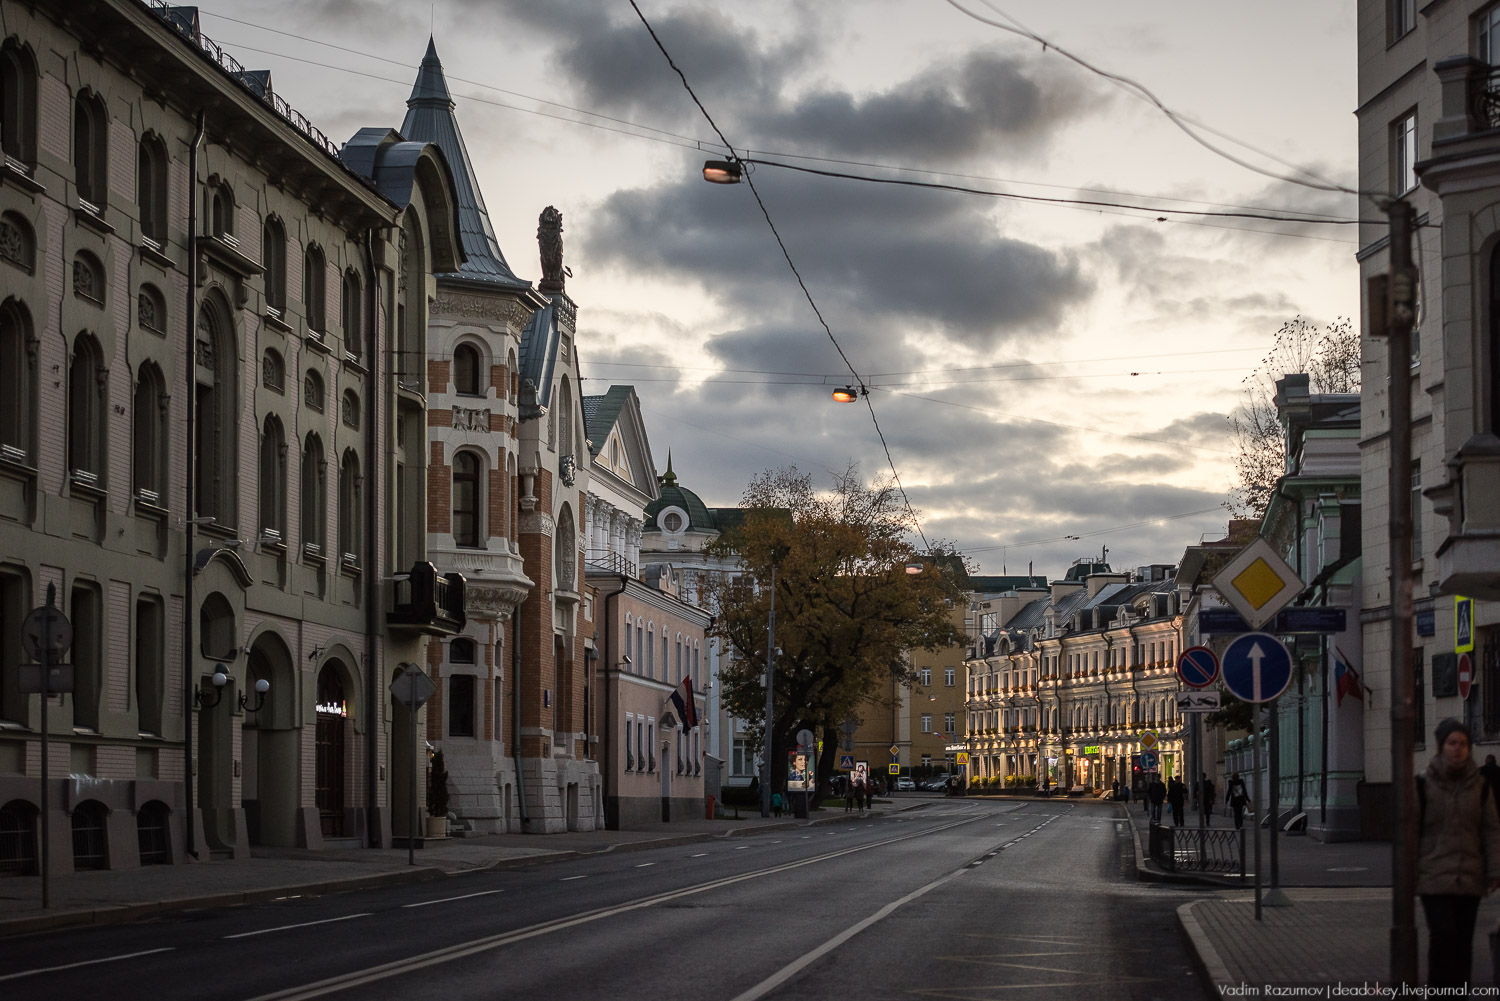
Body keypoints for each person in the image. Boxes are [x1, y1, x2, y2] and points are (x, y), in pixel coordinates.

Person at [1417, 718, 1500, 990]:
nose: (1458, 748)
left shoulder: (1480, 786)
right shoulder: (1423, 785)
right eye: (1452, 743)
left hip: (1469, 877)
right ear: (1441, 746)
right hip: (1435, 877)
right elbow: (1411, 832)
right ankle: (1439, 992)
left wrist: (1494, 870)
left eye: (1463, 743)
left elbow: (1490, 830)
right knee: (1442, 937)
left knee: (1463, 943)